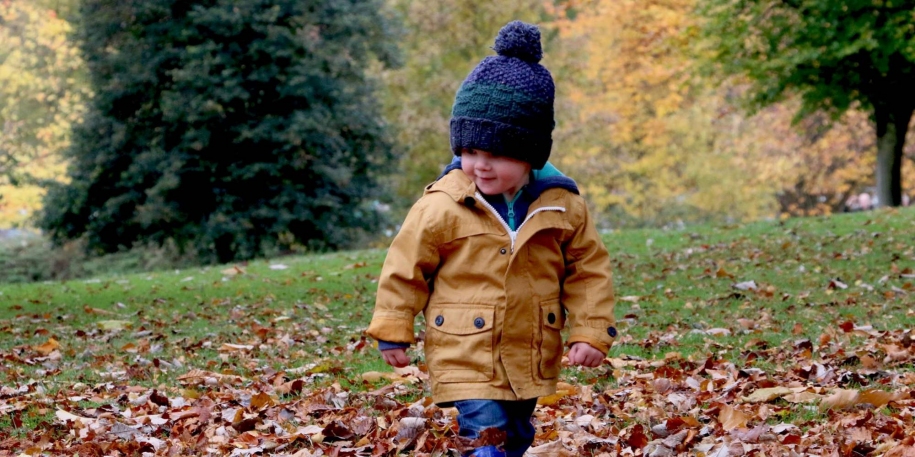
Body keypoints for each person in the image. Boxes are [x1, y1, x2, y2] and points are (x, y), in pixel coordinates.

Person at [365, 21, 617, 457]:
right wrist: (393, 329)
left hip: (530, 350)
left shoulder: (561, 206)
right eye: (470, 151)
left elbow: (588, 271)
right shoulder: (443, 205)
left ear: (530, 155)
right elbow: (406, 266)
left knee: (517, 434)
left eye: (497, 154)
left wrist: (591, 332)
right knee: (486, 435)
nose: (480, 165)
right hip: (465, 350)